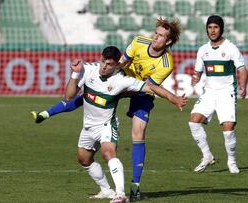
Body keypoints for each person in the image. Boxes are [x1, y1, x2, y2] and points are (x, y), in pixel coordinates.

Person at [31, 17, 182, 201]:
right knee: (88, 99)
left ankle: (134, 185)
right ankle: (46, 114)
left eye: (160, 36)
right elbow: (121, 62)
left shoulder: (166, 64)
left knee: (138, 131)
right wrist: (107, 76)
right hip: (122, 77)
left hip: (139, 90)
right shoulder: (139, 41)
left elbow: (149, 87)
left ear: (168, 41)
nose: (155, 37)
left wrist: (172, 98)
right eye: (155, 33)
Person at [66, 46, 187, 203]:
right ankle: (106, 190)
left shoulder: (122, 80)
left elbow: (151, 87)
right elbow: (69, 96)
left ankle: (120, 194)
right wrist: (75, 73)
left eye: (109, 64)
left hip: (106, 125)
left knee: (108, 153)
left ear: (117, 65)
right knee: (83, 159)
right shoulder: (88, 69)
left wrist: (174, 98)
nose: (104, 66)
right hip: (88, 126)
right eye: (103, 61)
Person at [189, 15, 248, 174]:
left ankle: (232, 161)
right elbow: (198, 71)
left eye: (215, 27)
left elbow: (242, 69)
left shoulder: (231, 48)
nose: (212, 30)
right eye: (210, 27)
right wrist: (196, 78)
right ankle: (207, 156)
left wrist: (243, 86)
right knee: (194, 121)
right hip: (209, 93)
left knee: (228, 130)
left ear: (221, 29)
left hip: (226, 93)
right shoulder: (203, 50)